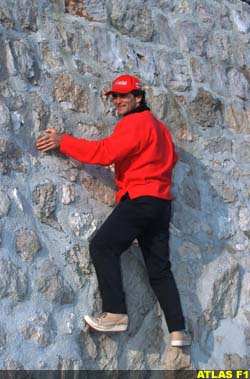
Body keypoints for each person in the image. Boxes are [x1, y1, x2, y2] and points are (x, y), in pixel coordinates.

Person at [36, 74, 191, 347]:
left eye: (124, 96)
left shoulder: (134, 123)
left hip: (140, 199)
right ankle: (179, 331)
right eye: (115, 97)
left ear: (139, 98)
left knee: (102, 246)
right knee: (159, 270)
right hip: (161, 204)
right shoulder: (160, 128)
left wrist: (64, 142)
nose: (118, 101)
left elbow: (104, 153)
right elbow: (173, 158)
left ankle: (116, 313)